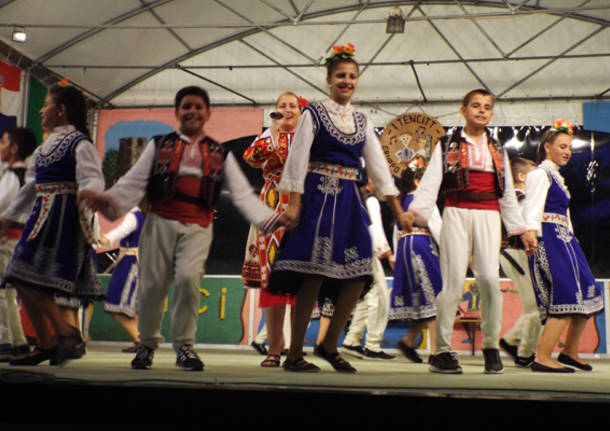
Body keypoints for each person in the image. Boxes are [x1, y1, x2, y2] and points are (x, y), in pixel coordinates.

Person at [79, 85, 287, 371]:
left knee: (189, 281)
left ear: (207, 114)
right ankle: (147, 345)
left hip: (198, 226)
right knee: (152, 286)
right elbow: (133, 182)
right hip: (160, 221)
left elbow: (241, 195)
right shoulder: (158, 145)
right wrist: (107, 202)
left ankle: (185, 347)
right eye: (186, 106)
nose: (192, 111)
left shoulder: (218, 153)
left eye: (198, 107)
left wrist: (272, 220)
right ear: (177, 112)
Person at [268, 43, 410, 373]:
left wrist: (398, 209)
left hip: (349, 199)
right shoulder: (313, 113)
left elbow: (377, 167)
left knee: (360, 274)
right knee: (312, 276)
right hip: (318, 197)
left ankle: (330, 345)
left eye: (352, 76)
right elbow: (297, 158)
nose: (347, 81)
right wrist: (293, 203)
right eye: (341, 76)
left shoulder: (361, 120)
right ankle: (293, 355)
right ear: (329, 80)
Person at [403, 88, 537, 374]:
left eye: (487, 107)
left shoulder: (497, 148)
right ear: (463, 110)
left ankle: (491, 347)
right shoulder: (447, 143)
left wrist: (520, 228)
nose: (482, 111)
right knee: (452, 281)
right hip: (456, 213)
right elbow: (430, 184)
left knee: (489, 279)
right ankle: (441, 351)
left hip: (489, 215)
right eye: (476, 106)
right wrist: (416, 212)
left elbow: (507, 194)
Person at [2, 85, 105, 366]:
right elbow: (32, 186)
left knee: (35, 281)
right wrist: (10, 215)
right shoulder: (44, 147)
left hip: (64, 219)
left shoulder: (80, 143)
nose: (40, 110)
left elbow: (94, 178)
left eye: (45, 104)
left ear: (60, 110)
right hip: (40, 218)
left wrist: (90, 192)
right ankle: (51, 342)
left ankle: (64, 336)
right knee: (19, 276)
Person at [524, 121, 603, 373]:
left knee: (588, 291)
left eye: (569, 147)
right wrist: (531, 236)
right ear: (547, 147)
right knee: (566, 294)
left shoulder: (556, 176)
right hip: (549, 239)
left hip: (566, 240)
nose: (567, 151)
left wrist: (572, 239)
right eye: (562, 146)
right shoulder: (540, 174)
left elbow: (564, 214)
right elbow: (531, 208)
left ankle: (569, 351)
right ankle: (543, 356)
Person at [241, 91, 301, 367]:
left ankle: (295, 350)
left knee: (300, 281)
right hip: (273, 205)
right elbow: (251, 158)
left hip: (302, 206)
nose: (287, 110)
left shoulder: (307, 137)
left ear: (301, 112)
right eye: (282, 106)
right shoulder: (269, 134)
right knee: (274, 281)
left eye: (292, 106)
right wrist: (273, 132)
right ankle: (274, 349)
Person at [390, 161, 442, 363]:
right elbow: (438, 227)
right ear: (418, 181)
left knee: (423, 299)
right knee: (435, 296)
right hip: (421, 245)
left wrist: (396, 254)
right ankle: (436, 351)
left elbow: (397, 230)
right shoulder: (425, 202)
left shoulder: (402, 203)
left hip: (404, 246)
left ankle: (408, 340)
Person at [341, 181, 396, 360]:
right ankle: (372, 344)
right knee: (378, 298)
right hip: (368, 251)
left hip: (356, 250)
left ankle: (351, 340)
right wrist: (387, 253)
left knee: (367, 299)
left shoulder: (356, 196)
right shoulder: (370, 200)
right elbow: (375, 228)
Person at [499, 156, 542, 368]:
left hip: (512, 253)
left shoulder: (517, 198)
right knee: (536, 307)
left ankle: (511, 341)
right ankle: (525, 352)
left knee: (534, 306)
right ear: (522, 176)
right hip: (515, 252)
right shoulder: (519, 197)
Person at [0, 127, 36, 361]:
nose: (0, 147)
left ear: (14, 148)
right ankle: (19, 341)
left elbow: (4, 206)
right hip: (20, 240)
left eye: (3, 142)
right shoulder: (26, 176)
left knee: (3, 293)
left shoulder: (14, 176)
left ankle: (5, 341)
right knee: (11, 293)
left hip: (9, 239)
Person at [98, 205, 147, 352]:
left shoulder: (135, 216)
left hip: (130, 262)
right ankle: (139, 339)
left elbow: (121, 230)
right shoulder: (149, 217)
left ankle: (140, 339)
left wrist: (106, 238)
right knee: (131, 307)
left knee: (117, 303)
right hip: (140, 262)